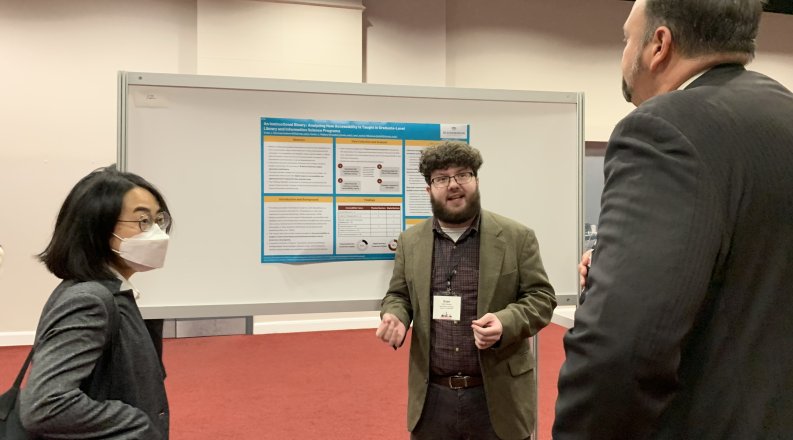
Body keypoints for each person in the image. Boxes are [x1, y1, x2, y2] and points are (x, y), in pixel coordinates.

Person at [554, 0, 793, 438]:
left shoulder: (661, 130)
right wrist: (618, 266)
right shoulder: (781, 111)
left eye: (627, 38)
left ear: (658, 45)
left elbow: (621, 351)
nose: (624, 52)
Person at [376, 141, 556, 440]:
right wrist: (394, 314)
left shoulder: (516, 237)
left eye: (463, 174)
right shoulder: (410, 242)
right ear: (428, 190)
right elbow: (399, 295)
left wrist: (505, 322)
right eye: (441, 178)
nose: (454, 185)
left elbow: (541, 298)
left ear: (476, 180)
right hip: (433, 398)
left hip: (498, 395)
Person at [19, 165, 173, 439]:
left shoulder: (112, 291)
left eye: (158, 220)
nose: (157, 233)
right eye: (143, 221)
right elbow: (45, 405)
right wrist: (135, 423)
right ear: (98, 228)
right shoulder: (89, 300)